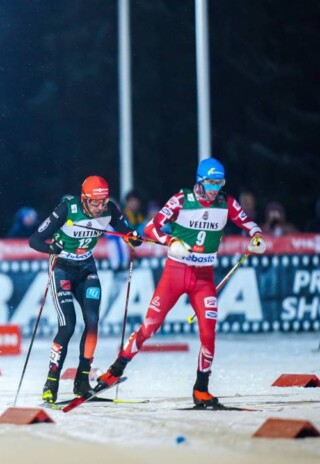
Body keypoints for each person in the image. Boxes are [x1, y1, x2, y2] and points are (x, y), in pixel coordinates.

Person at [97, 158, 266, 407]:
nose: (214, 189)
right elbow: (151, 229)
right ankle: (115, 370)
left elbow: (249, 223)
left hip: (203, 277)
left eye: (219, 183)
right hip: (176, 272)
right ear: (199, 180)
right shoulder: (180, 200)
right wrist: (171, 242)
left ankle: (201, 388)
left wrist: (257, 236)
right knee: (150, 325)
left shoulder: (226, 202)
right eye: (210, 182)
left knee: (209, 333)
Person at [28, 176, 140, 404]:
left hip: (87, 268)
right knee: (67, 326)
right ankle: (51, 383)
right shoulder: (66, 210)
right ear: (84, 199)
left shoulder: (109, 210)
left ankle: (82, 380)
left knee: (92, 322)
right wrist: (52, 246)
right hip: (62, 269)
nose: (100, 207)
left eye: (103, 201)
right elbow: (35, 240)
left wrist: (133, 238)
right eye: (95, 203)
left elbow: (125, 230)